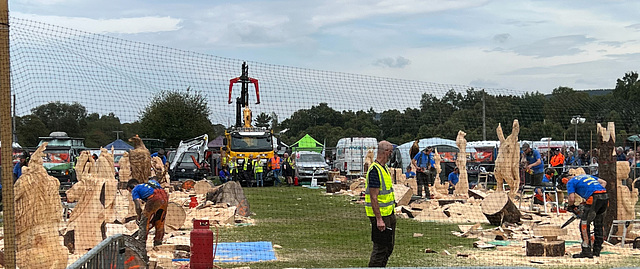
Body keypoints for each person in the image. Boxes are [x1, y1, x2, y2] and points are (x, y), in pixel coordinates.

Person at [365, 141, 396, 267]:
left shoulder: (385, 169)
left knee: (389, 247)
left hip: (389, 213)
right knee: (380, 249)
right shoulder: (374, 170)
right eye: (390, 152)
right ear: (385, 152)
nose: (391, 155)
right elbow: (374, 197)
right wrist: (379, 219)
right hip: (381, 216)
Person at [563, 174, 608, 258]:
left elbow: (571, 199)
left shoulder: (570, 182)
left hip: (594, 198)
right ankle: (597, 250)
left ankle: (586, 250)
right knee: (598, 224)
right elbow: (604, 182)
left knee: (584, 224)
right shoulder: (586, 176)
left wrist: (571, 206)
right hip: (605, 197)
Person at [127, 177, 168, 246]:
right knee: (159, 221)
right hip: (164, 197)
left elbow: (138, 206)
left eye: (129, 191)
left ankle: (141, 243)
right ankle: (158, 243)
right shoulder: (150, 183)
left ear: (130, 187)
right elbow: (155, 179)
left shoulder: (135, 189)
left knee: (144, 222)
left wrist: (139, 217)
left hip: (154, 198)